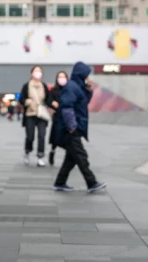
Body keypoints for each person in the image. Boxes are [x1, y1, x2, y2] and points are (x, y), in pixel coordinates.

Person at [53, 62, 106, 193]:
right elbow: (66, 108)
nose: (88, 78)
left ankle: (60, 182)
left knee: (71, 158)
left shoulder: (77, 87)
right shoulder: (71, 87)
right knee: (81, 156)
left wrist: (88, 91)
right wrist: (72, 127)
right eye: (87, 75)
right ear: (81, 75)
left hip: (74, 128)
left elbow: (82, 104)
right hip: (70, 130)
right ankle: (91, 182)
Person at [20, 65, 51, 167]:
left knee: (42, 135)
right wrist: (27, 101)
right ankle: (27, 151)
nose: (38, 73)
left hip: (41, 114)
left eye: (40, 71)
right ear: (31, 73)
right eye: (36, 71)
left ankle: (40, 156)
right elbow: (21, 99)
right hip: (30, 114)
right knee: (30, 136)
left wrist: (53, 104)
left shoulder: (44, 86)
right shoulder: (26, 85)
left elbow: (48, 99)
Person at [47, 71, 69, 166]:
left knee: (68, 138)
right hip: (57, 117)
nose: (61, 78)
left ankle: (69, 156)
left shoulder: (69, 90)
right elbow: (48, 100)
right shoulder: (54, 90)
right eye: (59, 77)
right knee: (56, 137)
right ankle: (52, 151)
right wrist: (52, 104)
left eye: (63, 77)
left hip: (68, 118)